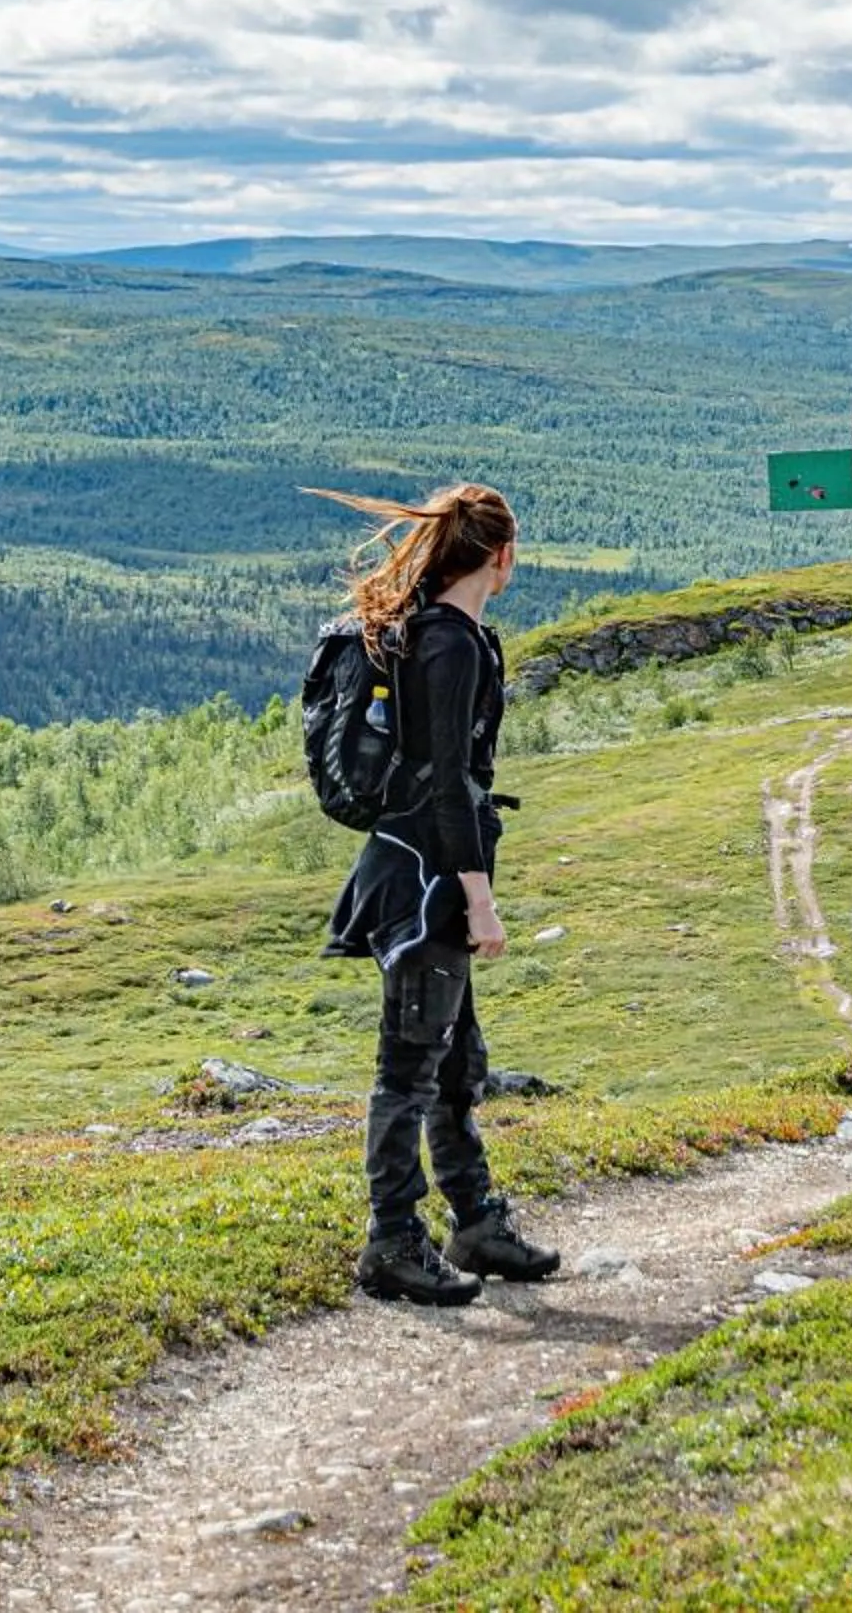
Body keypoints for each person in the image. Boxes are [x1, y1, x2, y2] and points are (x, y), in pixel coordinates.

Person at [315, 482, 562, 1306]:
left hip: (417, 870)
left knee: (455, 1061)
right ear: (501, 555)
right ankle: (391, 1241)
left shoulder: (438, 634)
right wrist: (479, 898)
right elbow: (452, 784)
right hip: (426, 881)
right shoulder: (451, 644)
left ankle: (475, 1223)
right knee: (410, 1067)